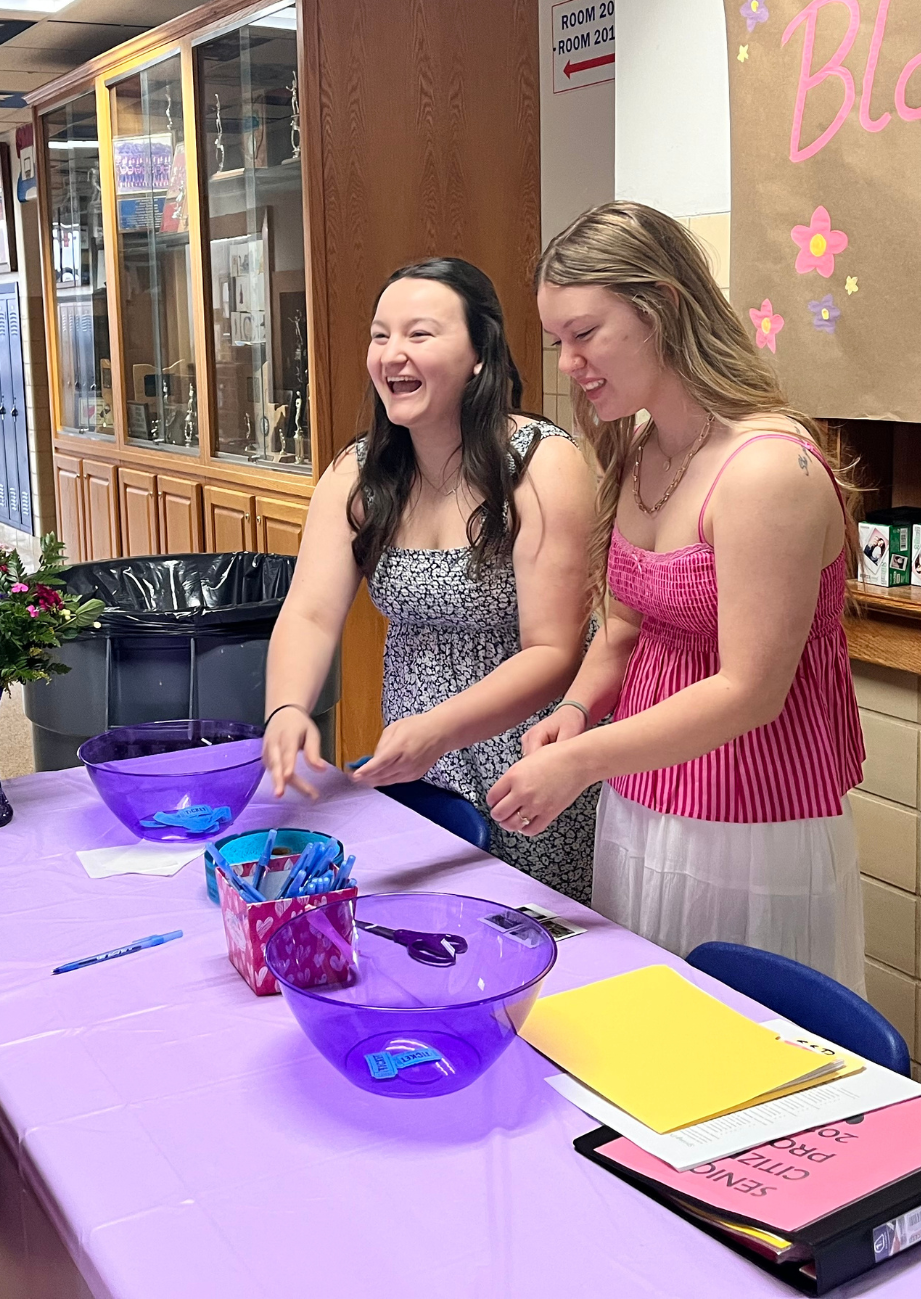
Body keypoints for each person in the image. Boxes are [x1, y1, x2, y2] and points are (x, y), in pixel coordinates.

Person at [488, 202, 868, 991]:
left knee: (746, 1058)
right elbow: (624, 626)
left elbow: (750, 690)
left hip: (753, 817)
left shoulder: (767, 470)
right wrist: (574, 714)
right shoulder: (640, 448)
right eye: (559, 341)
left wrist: (583, 762)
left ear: (661, 306)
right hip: (643, 798)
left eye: (585, 334)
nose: (568, 363)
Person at [261, 257, 597, 901]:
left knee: (531, 944)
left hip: (527, 758)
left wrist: (441, 727)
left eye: (420, 334)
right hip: (415, 758)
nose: (393, 355)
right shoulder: (359, 474)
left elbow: (555, 650)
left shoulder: (541, 463)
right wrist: (286, 708)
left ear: (479, 353)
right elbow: (308, 612)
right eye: (380, 335)